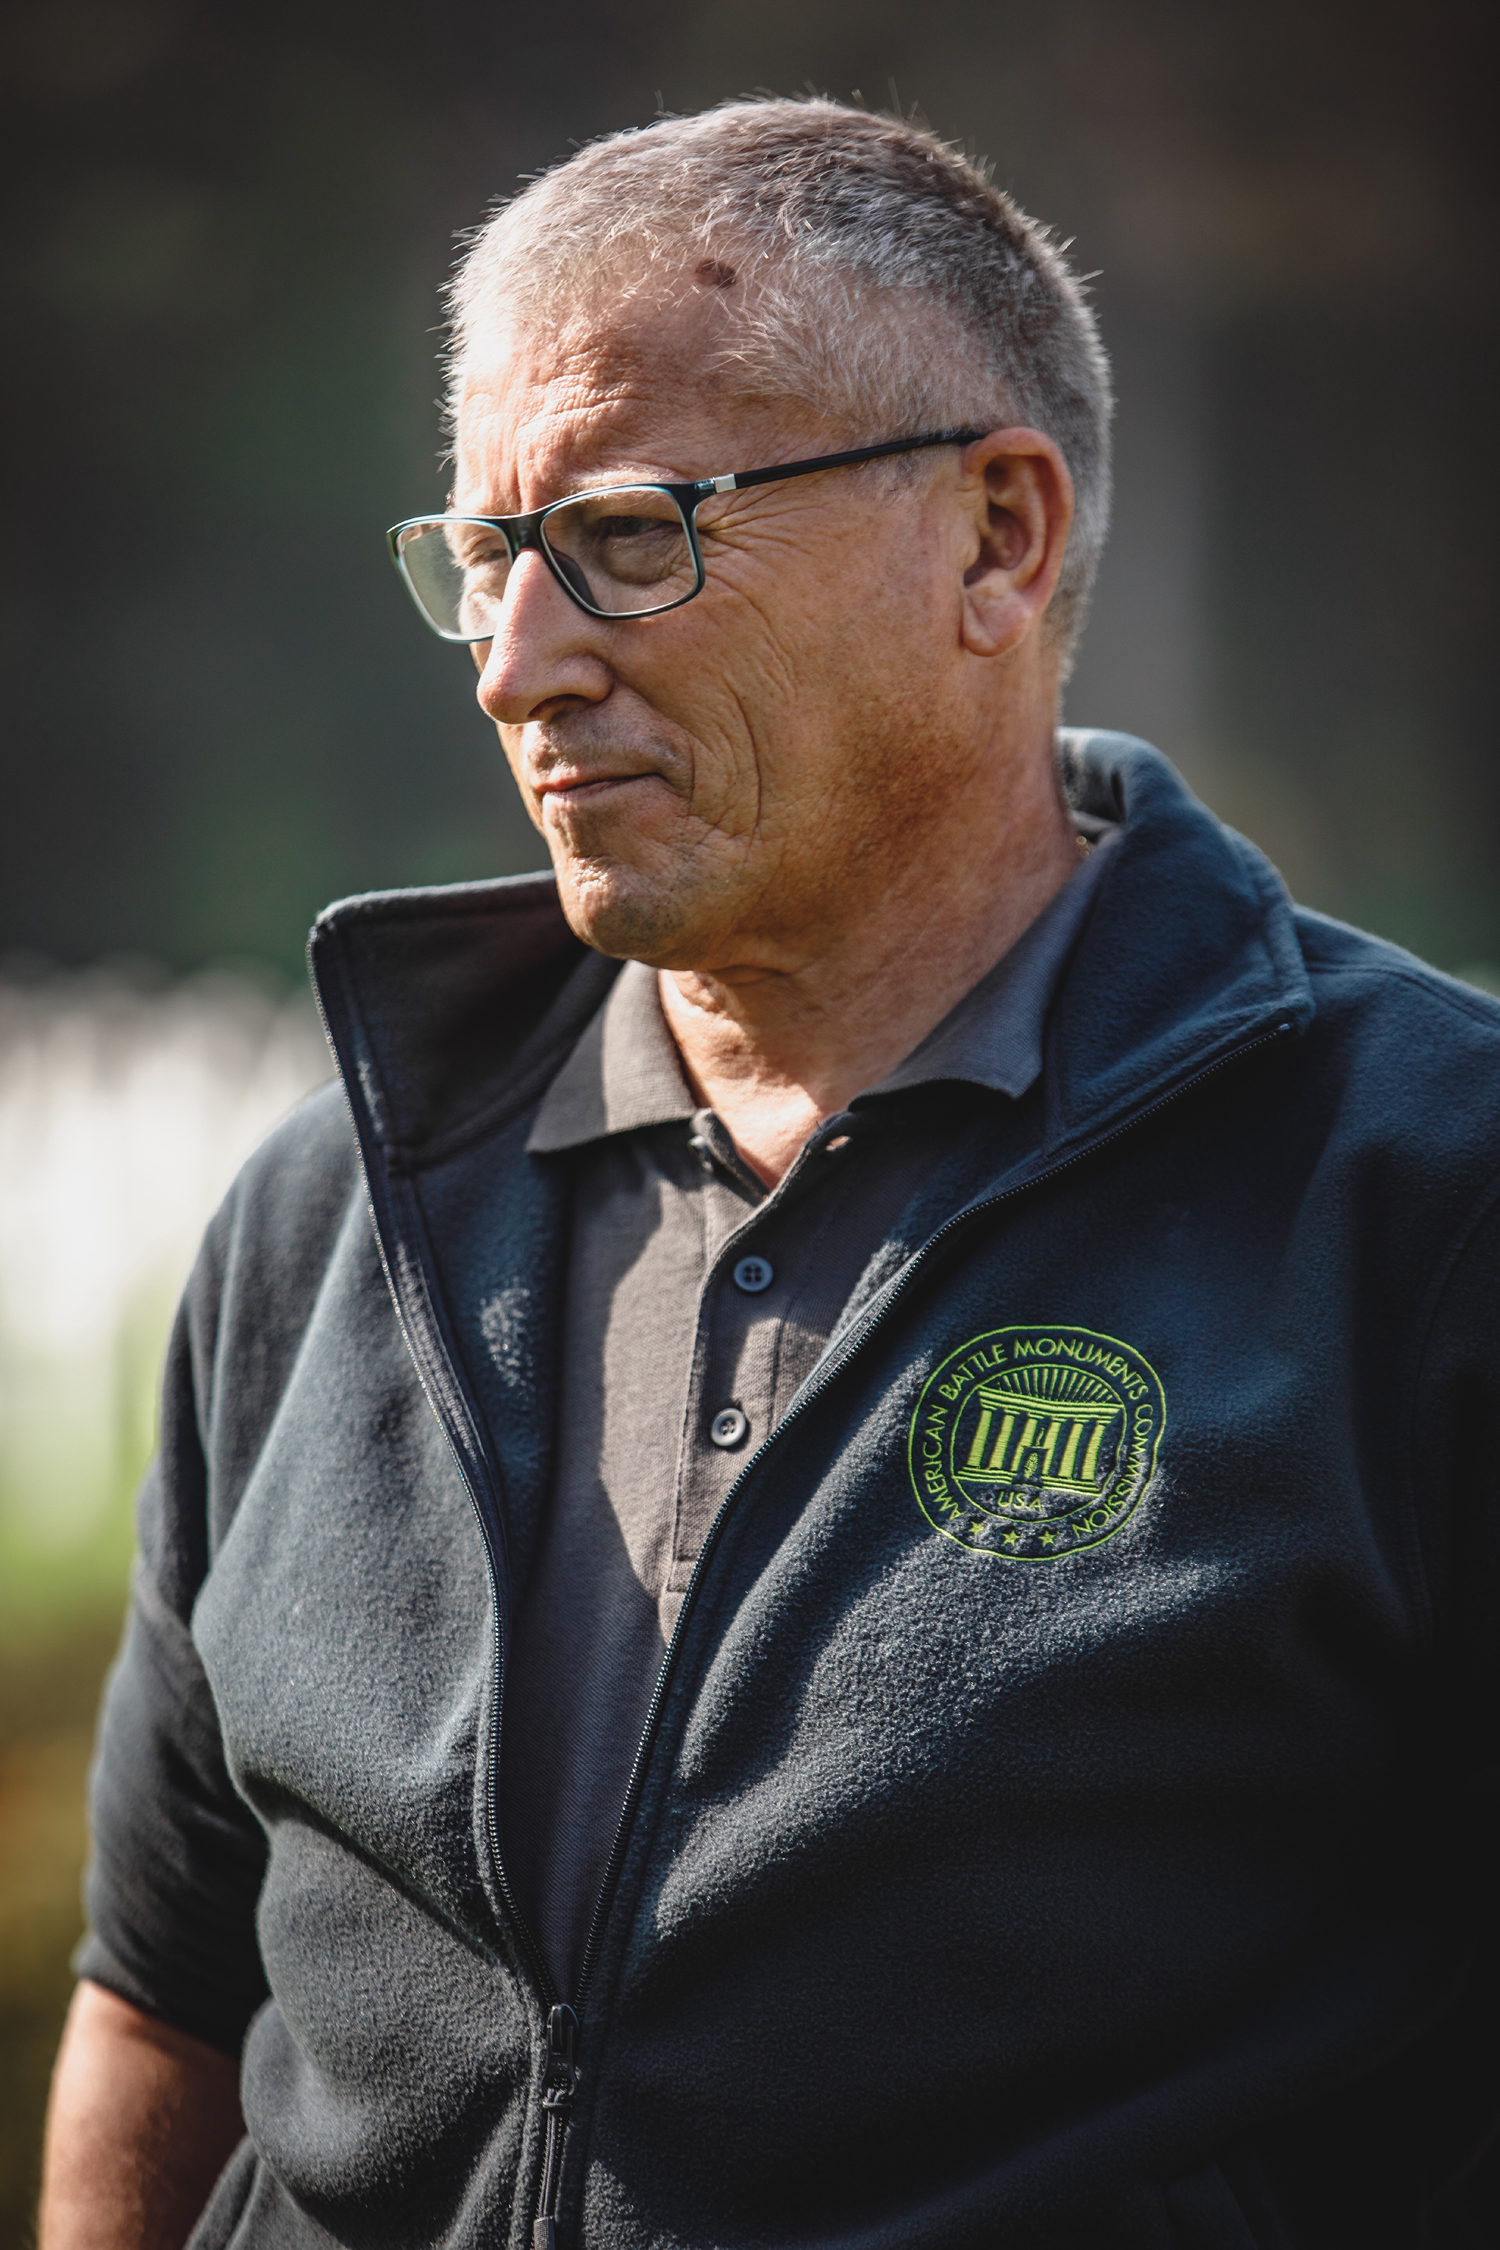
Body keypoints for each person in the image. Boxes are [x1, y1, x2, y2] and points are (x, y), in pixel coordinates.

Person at [39, 98, 1500, 2250]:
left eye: (630, 536)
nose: (519, 666)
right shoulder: (328, 1209)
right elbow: (167, 1994)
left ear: (996, 538)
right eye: (484, 559)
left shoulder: (1430, 1201)